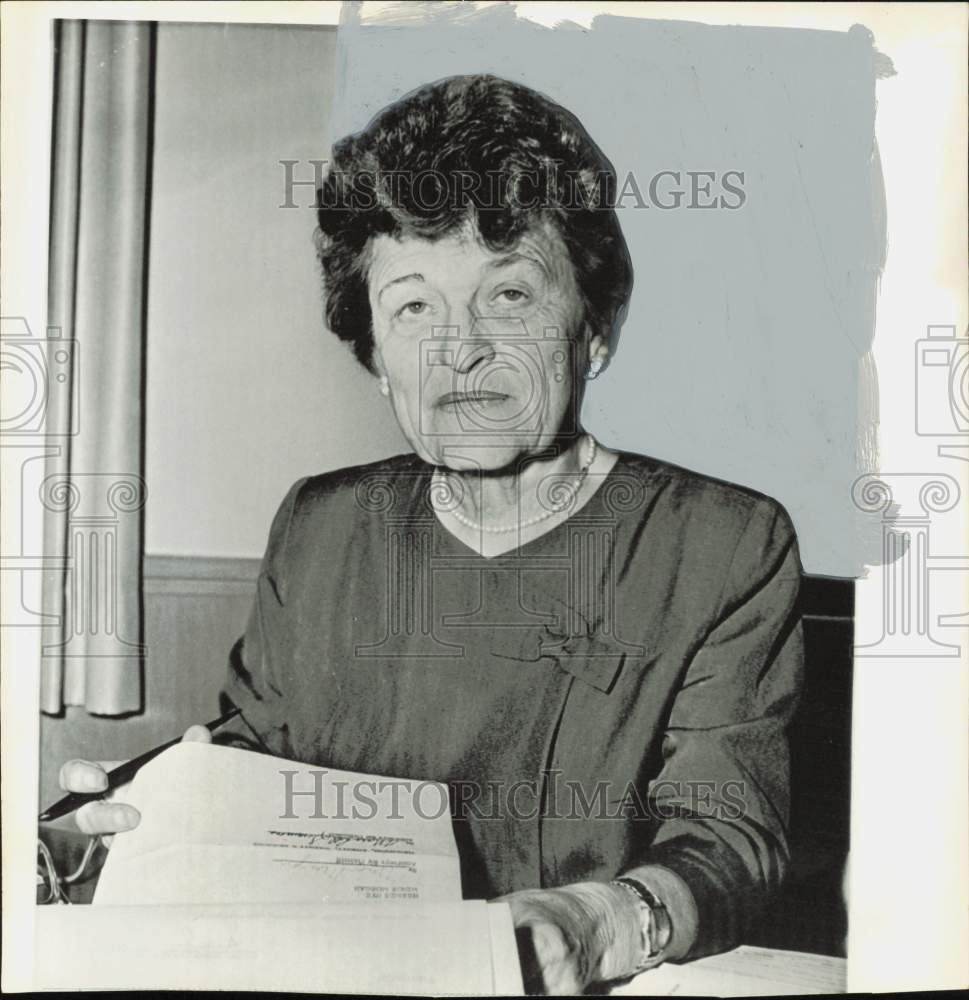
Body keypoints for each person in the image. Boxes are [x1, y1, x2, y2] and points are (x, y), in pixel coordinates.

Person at [59, 74, 804, 994]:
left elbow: (729, 834)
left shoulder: (722, 543)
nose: (460, 347)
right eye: (414, 307)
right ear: (375, 357)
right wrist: (153, 812)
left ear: (594, 331)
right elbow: (256, 745)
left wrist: (606, 919)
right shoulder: (323, 523)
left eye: (510, 296)